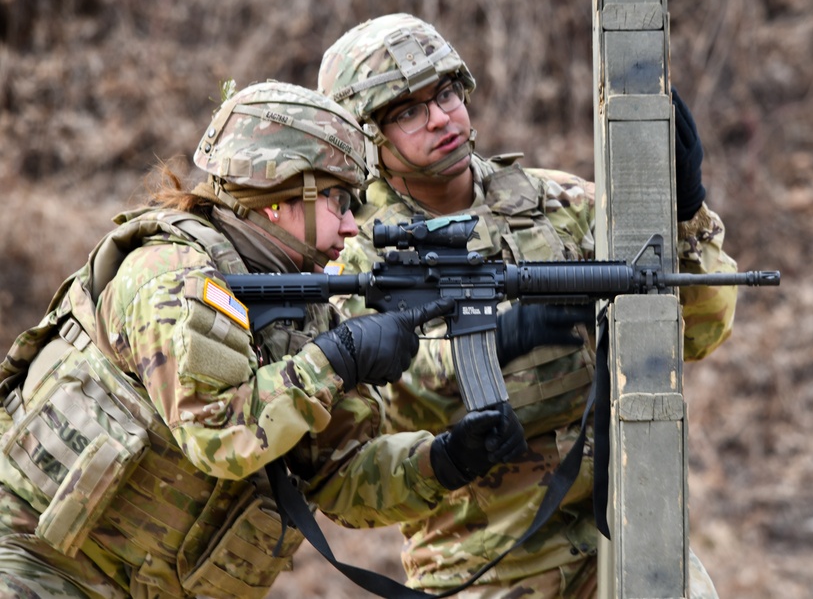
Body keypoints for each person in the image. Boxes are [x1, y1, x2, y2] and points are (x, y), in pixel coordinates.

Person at [0, 81, 525, 598]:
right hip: (41, 566)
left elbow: (339, 476)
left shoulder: (301, 307)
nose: (350, 227)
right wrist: (337, 360)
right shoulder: (170, 273)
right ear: (280, 198)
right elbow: (219, 434)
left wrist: (446, 458)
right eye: (341, 201)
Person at [315, 13, 738, 598]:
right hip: (487, 565)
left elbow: (697, 334)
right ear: (367, 138)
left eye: (445, 94)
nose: (441, 118)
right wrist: (499, 339)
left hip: (629, 539)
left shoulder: (561, 204)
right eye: (407, 112)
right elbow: (367, 426)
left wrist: (687, 212)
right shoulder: (353, 255)